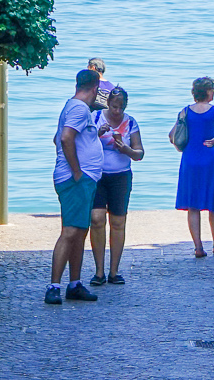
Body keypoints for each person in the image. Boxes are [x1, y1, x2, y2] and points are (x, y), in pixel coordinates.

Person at [46, 69, 105, 304]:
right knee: (70, 232)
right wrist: (77, 171)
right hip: (76, 180)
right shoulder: (80, 109)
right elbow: (65, 138)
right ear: (95, 89)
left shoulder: (71, 107)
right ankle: (54, 286)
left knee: (80, 231)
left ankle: (75, 284)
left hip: (82, 179)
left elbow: (57, 138)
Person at [170, 75, 214, 257]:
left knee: (193, 206)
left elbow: (172, 135)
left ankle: (198, 247)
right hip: (209, 159)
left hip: (190, 159)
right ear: (208, 92)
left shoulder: (185, 111)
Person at [89, 85, 144, 286]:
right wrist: (96, 133)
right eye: (113, 107)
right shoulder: (96, 117)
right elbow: (82, 142)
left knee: (118, 222)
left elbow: (140, 153)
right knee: (96, 219)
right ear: (108, 104)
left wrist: (127, 150)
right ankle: (99, 271)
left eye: (120, 107)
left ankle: (114, 271)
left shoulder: (131, 123)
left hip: (121, 176)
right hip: (98, 175)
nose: (117, 111)